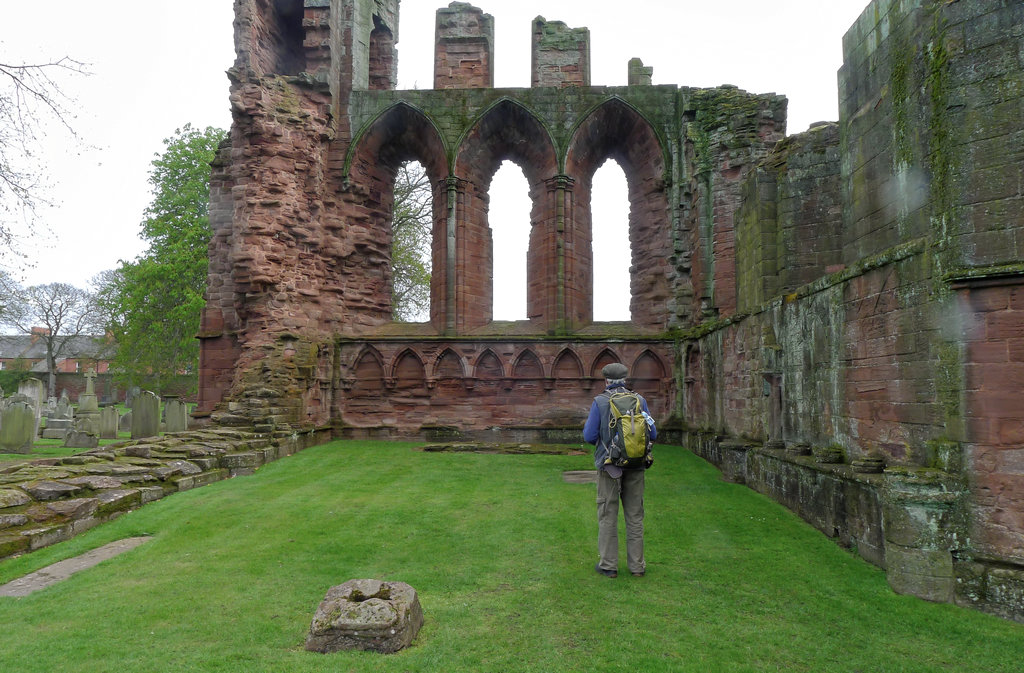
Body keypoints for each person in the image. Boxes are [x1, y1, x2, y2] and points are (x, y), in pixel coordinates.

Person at [583, 362, 656, 578]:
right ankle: (637, 567)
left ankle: (609, 566)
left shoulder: (600, 402)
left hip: (609, 467)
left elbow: (588, 436)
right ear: (625, 379)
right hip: (636, 465)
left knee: (608, 514)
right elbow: (652, 434)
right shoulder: (639, 401)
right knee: (635, 516)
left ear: (605, 380)